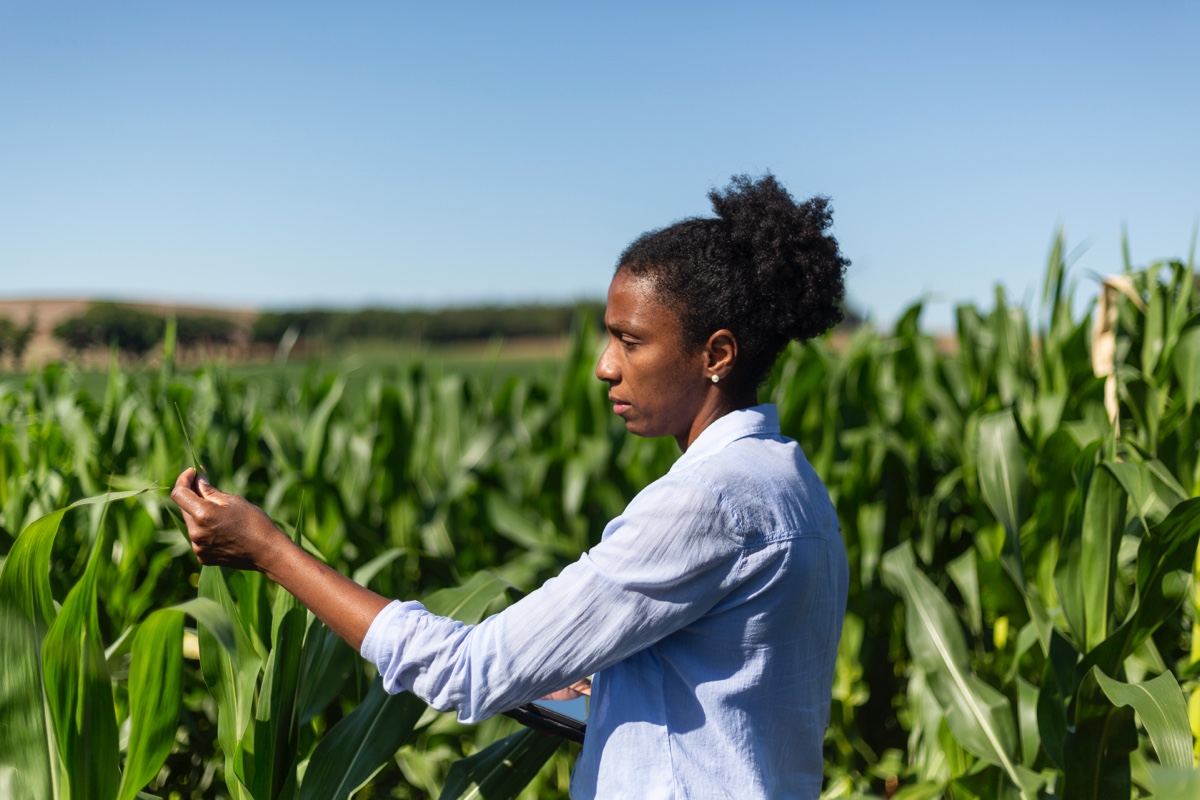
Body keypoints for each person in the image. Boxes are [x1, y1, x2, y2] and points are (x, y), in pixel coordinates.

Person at [172, 173, 850, 799]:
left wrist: (268, 550)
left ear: (717, 355)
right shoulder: (794, 485)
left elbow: (468, 670)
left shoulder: (707, 500)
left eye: (630, 340)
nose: (602, 366)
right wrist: (614, 679)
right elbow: (734, 688)